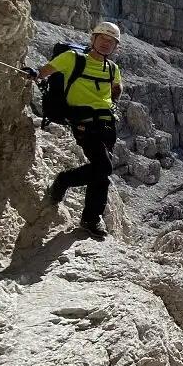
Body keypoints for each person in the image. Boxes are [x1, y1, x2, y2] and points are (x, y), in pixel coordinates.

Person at [35, 22, 123, 239]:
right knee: (104, 167)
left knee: (101, 174)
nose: (105, 43)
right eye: (102, 38)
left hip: (107, 123)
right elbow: (43, 72)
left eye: (110, 41)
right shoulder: (72, 59)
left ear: (115, 46)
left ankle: (91, 219)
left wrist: (111, 102)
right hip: (83, 121)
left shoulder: (112, 68)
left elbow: (117, 88)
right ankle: (64, 180)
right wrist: (33, 73)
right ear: (93, 39)